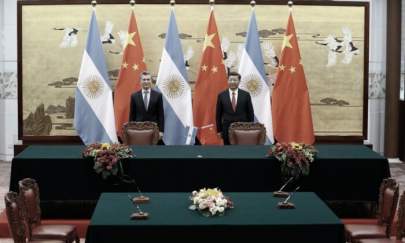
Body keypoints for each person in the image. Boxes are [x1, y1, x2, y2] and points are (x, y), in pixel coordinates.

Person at [216, 72, 254, 145]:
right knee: (228, 151)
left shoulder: (246, 95)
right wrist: (219, 131)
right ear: (227, 81)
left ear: (239, 81)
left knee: (242, 150)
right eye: (230, 80)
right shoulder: (221, 95)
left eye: (235, 80)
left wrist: (250, 128)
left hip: (243, 128)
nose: (232, 82)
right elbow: (218, 115)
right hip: (227, 129)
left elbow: (250, 113)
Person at [129, 71, 164, 138]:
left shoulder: (158, 95)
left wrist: (161, 131)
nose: (146, 81)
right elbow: (132, 115)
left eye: (148, 79)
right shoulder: (134, 96)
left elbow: (161, 115)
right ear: (140, 81)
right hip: (138, 130)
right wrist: (131, 130)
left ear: (151, 81)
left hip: (153, 130)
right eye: (144, 79)